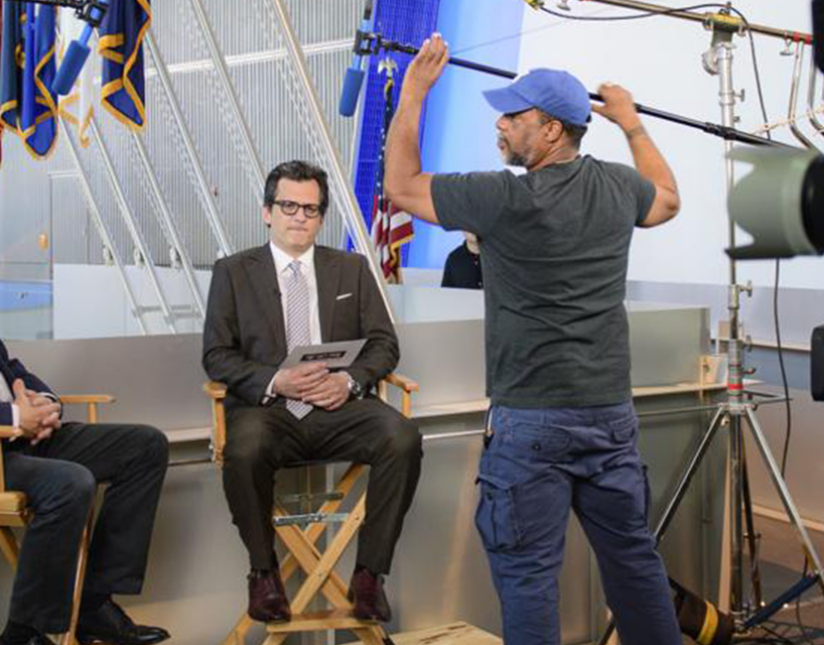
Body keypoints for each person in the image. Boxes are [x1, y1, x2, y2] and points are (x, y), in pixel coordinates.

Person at [384, 35, 683, 645]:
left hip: (532, 425)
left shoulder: (503, 198)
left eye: (514, 116)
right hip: (609, 417)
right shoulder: (621, 187)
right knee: (634, 565)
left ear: (550, 130)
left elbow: (402, 186)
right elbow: (669, 201)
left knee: (528, 581)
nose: (501, 123)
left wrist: (413, 93)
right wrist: (631, 125)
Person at [202, 160, 422, 624]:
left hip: (341, 407)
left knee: (402, 437)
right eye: (289, 206)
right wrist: (274, 380)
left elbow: (385, 344)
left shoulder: (352, 268)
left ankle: (368, 576)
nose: (300, 217)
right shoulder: (233, 272)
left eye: (311, 209)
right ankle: (263, 574)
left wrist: (348, 381)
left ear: (321, 216)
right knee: (243, 448)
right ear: (267, 211)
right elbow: (216, 356)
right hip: (270, 411)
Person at [0, 340, 170, 645]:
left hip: (29, 439)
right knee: (71, 483)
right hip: (3, 454)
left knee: (146, 446)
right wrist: (13, 418)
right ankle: (23, 632)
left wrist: (46, 405)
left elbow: (14, 371)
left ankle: (93, 604)